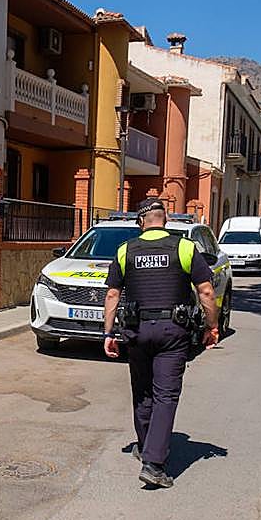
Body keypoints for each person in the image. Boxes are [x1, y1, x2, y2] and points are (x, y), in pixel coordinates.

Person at [102, 200, 220, 488]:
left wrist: (108, 333)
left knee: (142, 392)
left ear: (141, 222)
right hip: (172, 332)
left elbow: (112, 295)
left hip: (136, 331)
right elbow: (205, 290)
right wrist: (212, 326)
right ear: (164, 220)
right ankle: (154, 464)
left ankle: (145, 447)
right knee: (165, 395)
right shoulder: (184, 247)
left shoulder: (125, 250)